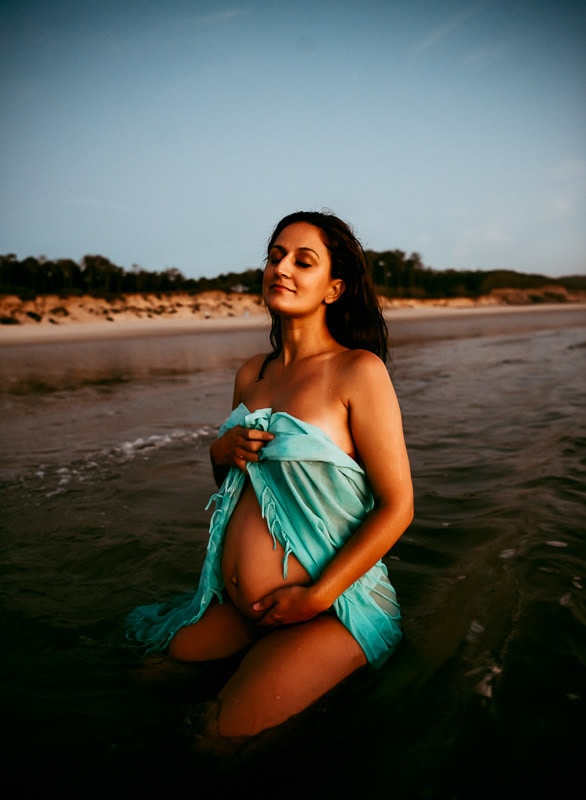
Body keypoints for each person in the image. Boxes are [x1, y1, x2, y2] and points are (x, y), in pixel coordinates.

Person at [126, 210, 413, 744]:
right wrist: (219, 451)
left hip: (331, 605)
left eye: (303, 261)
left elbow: (398, 507)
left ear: (333, 289)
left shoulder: (357, 371)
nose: (282, 268)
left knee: (217, 738)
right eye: (276, 256)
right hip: (242, 606)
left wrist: (316, 597)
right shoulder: (252, 374)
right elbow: (235, 490)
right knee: (146, 683)